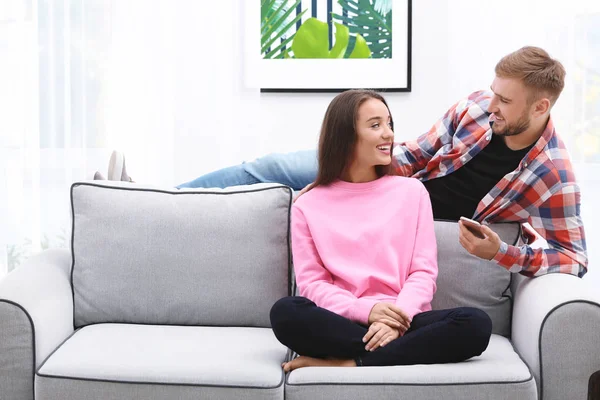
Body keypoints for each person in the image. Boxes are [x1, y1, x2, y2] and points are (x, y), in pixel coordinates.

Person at [96, 46, 587, 278]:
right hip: (387, 178)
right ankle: (144, 196)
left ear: (540, 107)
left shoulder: (554, 175)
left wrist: (503, 254)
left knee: (284, 210)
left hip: (402, 218)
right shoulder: (479, 105)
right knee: (270, 172)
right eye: (494, 92)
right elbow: (418, 152)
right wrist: (372, 163)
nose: (491, 104)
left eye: (505, 100)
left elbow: (575, 259)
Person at [268, 89, 492, 371]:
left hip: (404, 319)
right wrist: (368, 311)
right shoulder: (308, 205)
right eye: (375, 125)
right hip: (342, 320)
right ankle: (392, 355)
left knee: (475, 324)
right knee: (286, 313)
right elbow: (312, 284)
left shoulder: (412, 192)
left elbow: (422, 272)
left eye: (389, 124)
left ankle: (352, 362)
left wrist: (397, 320)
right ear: (345, 136)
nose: (388, 134)